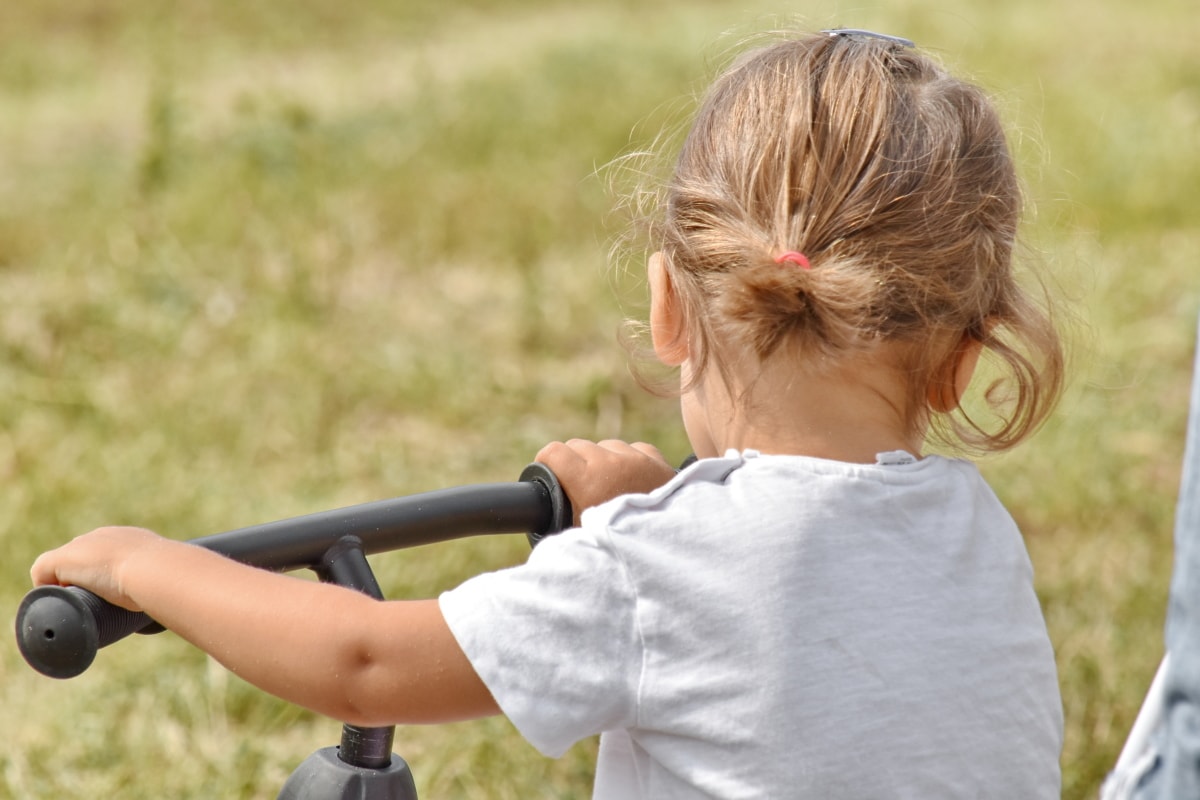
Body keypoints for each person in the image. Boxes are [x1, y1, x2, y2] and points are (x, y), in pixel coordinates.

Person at [31, 29, 1066, 799]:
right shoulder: (978, 539)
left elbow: (365, 660)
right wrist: (653, 514)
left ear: (670, 306)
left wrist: (149, 565)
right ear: (960, 362)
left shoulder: (662, 571)